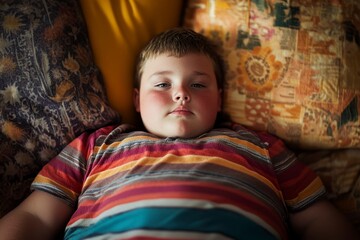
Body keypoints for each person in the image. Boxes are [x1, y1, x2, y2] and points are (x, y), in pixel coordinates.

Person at [0, 28, 358, 240]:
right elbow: (36, 216)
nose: (181, 93)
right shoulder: (97, 145)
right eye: (162, 83)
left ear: (219, 99)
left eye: (198, 84)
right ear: (137, 101)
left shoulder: (260, 145)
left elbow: (315, 217)